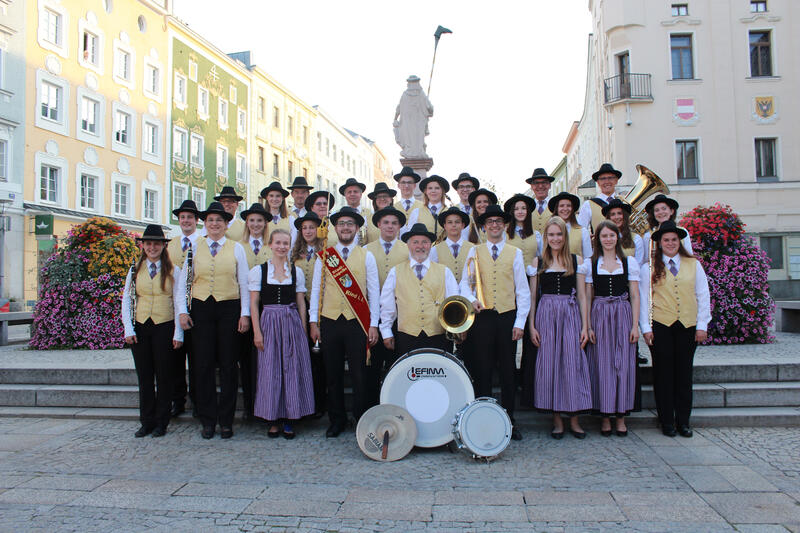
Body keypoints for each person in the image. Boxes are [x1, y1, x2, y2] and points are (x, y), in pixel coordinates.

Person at [177, 202, 251, 440]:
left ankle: (226, 421)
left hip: (229, 307)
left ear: (226, 223)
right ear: (204, 223)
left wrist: (245, 314)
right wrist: (182, 311)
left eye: (219, 220)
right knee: (203, 365)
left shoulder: (236, 248)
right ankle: (208, 420)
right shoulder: (193, 248)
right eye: (210, 220)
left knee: (229, 366)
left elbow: (244, 284)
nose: (215, 224)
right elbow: (183, 284)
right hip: (201, 308)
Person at [460, 204, 530, 441]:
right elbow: (465, 284)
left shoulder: (515, 252)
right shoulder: (474, 252)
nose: (494, 225)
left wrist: (520, 322)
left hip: (507, 317)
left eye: (499, 221)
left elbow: (522, 290)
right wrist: (472, 299)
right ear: (484, 226)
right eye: (490, 222)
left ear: (505, 225)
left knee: (508, 370)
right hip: (483, 318)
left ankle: (510, 419)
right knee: (483, 369)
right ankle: (483, 419)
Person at [308, 207, 380, 438]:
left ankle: (360, 418)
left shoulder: (367, 255)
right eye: (341, 223)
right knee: (333, 374)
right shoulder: (326, 255)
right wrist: (313, 322)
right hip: (330, 321)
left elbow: (374, 292)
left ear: (357, 229)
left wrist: (374, 324)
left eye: (350, 224)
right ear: (335, 228)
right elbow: (316, 291)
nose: (346, 227)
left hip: (357, 323)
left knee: (360, 374)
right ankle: (336, 419)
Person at [639, 221, 710, 438]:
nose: (670, 243)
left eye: (674, 239)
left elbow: (702, 295)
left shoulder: (693, 264)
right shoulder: (648, 267)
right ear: (659, 243)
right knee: (663, 375)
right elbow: (643, 299)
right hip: (661, 326)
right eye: (666, 240)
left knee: (683, 375)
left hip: (687, 326)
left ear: (680, 242)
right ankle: (667, 421)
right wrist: (645, 327)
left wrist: (702, 325)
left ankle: (683, 421)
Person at [249, 229, 315, 439]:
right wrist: (257, 332)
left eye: (285, 243)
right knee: (271, 370)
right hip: (268, 322)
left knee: (291, 369)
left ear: (290, 246)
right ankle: (273, 418)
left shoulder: (296, 272)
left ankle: (290, 417)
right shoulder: (259, 271)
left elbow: (301, 303)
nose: (281, 247)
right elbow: (253, 303)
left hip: (291, 322)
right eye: (278, 243)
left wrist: (303, 330)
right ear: (270, 245)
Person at [529, 217, 592, 439]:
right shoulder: (538, 262)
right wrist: (532, 326)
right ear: (546, 238)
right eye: (551, 235)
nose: (555, 239)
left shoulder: (577, 260)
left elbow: (583, 296)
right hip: (546, 315)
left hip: (570, 313)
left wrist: (585, 326)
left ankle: (574, 418)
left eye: (559, 234)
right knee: (550, 364)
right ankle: (557, 420)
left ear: (565, 237)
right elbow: (533, 297)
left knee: (572, 363)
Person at [121, 225, 183, 438]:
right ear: (143, 246)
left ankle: (161, 422)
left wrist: (178, 333)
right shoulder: (134, 270)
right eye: (148, 243)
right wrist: (128, 328)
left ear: (163, 246)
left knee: (164, 376)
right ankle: (146, 421)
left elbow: (179, 301)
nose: (152, 247)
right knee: (145, 377)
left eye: (156, 243)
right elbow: (127, 300)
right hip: (141, 326)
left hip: (165, 325)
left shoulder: (174, 270)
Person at [585, 221, 640, 437]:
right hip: (599, 313)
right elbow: (588, 297)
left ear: (617, 237)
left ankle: (621, 416)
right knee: (602, 364)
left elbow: (635, 295)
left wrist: (635, 325)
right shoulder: (591, 264)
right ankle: (605, 416)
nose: (608, 239)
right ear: (598, 239)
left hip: (622, 313)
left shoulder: (628, 262)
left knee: (622, 364)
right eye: (604, 236)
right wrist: (588, 325)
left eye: (611, 235)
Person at [381, 223, 459, 354]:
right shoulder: (396, 271)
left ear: (430, 245)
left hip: (438, 336)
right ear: (408, 245)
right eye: (415, 242)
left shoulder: (444, 271)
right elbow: (387, 305)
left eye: (425, 242)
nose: (420, 246)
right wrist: (386, 331)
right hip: (407, 336)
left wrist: (456, 330)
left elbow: (454, 304)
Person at [364, 206, 408, 403]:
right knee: (371, 366)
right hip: (372, 316)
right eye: (386, 222)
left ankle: (395, 404)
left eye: (394, 223)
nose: (390, 226)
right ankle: (372, 407)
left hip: (399, 316)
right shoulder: (365, 251)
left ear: (399, 227)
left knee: (395, 365)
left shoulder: (408, 250)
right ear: (379, 225)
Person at [238, 202, 274, 421]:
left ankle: (265, 405)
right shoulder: (238, 246)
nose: (255, 224)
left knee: (265, 358)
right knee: (246, 358)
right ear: (247, 223)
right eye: (252, 220)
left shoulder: (273, 246)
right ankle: (249, 407)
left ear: (265, 223)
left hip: (267, 306)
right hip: (245, 304)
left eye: (260, 220)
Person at [166, 200, 201, 418]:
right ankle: (177, 399)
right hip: (174, 305)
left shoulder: (203, 242)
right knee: (175, 358)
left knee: (197, 359)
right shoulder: (171, 244)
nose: (186, 221)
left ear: (196, 221)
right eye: (182, 218)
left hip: (196, 305)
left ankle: (197, 400)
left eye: (189, 217)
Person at [291, 211, 326, 418]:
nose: (308, 231)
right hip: (300, 307)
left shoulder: (326, 251)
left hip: (322, 306)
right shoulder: (295, 254)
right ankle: (306, 402)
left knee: (321, 358)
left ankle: (321, 402)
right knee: (305, 357)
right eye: (304, 228)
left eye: (312, 227)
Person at [393, 74, 433, 158]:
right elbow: (430, 107)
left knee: (409, 138)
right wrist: (429, 111)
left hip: (408, 122)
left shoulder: (405, 95)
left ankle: (410, 152)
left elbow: (398, 108)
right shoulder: (421, 94)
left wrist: (395, 118)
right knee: (418, 137)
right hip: (419, 122)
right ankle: (419, 152)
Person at [430, 207, 474, 283]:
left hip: (467, 293)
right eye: (450, 222)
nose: (453, 225)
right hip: (445, 293)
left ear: (463, 225)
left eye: (457, 222)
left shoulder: (472, 248)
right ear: (445, 226)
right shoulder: (435, 250)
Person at [577, 163, 624, 234]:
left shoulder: (624, 202)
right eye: (603, 179)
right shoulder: (588, 205)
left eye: (610, 178)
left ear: (616, 180)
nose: (607, 182)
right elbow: (580, 231)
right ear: (598, 182)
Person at [548, 191, 592, 259]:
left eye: (568, 206)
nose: (565, 209)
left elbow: (588, 259)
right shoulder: (548, 232)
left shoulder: (583, 232)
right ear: (556, 209)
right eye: (561, 206)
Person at [602, 199, 645, 265]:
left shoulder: (636, 239)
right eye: (613, 214)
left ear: (624, 216)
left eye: (619, 213)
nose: (616, 217)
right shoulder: (602, 239)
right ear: (609, 218)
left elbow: (639, 264)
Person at [504, 193, 542, 267]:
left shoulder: (536, 235)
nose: (520, 212)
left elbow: (541, 257)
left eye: (524, 208)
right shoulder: (504, 234)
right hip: (511, 276)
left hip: (532, 277)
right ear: (512, 212)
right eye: (516, 209)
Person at [338, 178, 371, 245]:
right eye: (349, 192)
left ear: (361, 194)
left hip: (364, 253)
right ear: (345, 195)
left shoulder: (370, 214)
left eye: (355, 191)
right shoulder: (336, 215)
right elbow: (332, 239)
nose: (352, 194)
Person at [527, 168, 555, 236]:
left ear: (550, 185)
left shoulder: (556, 206)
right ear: (531, 186)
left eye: (544, 182)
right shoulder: (527, 208)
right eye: (536, 183)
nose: (540, 186)